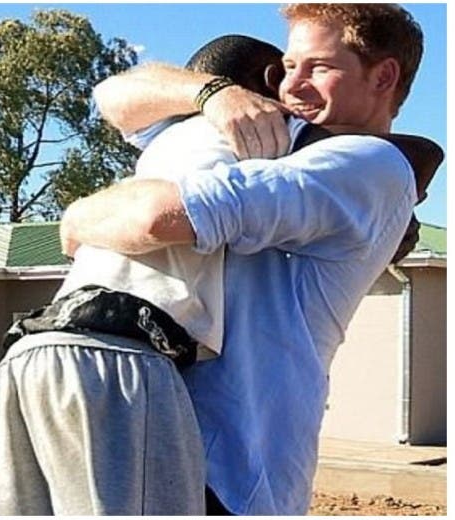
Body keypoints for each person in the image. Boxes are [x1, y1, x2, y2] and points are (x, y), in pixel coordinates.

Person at [61, 4, 432, 515]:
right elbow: (112, 95)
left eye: (318, 67)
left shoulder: (373, 165)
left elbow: (154, 216)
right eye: (287, 67)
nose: (290, 86)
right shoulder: (278, 149)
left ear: (383, 75)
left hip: (233, 469)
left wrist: (78, 218)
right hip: (161, 436)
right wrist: (212, 93)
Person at [0, 35, 288, 516]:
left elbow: (112, 94)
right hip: (121, 361)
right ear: (272, 81)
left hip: (29, 356)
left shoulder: (165, 142)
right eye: (295, 72)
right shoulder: (267, 134)